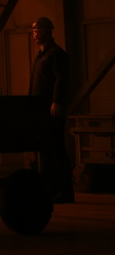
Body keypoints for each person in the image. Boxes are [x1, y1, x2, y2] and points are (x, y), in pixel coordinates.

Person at [29, 16, 74, 203]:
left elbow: (60, 79)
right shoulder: (42, 56)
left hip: (51, 110)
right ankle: (54, 189)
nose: (35, 35)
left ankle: (65, 191)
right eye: (34, 32)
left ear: (48, 33)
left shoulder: (56, 54)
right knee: (49, 149)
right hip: (41, 110)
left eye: (39, 32)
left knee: (57, 149)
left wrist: (56, 101)